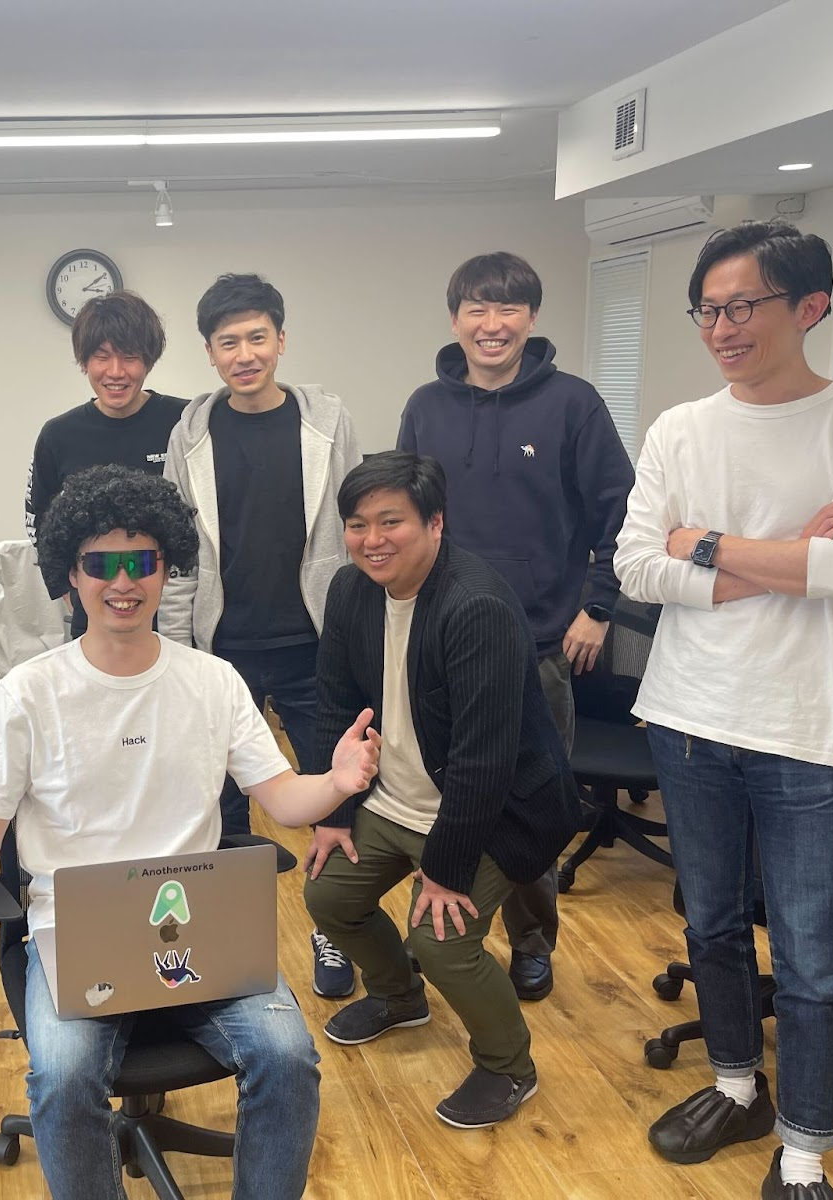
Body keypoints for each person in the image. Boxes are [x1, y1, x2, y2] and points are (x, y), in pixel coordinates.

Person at [0, 464, 381, 1200]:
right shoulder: (30, 692)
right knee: (64, 1076)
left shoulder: (213, 681)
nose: (122, 582)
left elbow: (283, 798)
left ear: (168, 568)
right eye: (99, 564)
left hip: (199, 927)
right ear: (70, 574)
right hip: (77, 932)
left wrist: (336, 782)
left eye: (141, 561)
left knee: (288, 1054)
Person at [615, 221, 833, 1200]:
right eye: (706, 310)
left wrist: (701, 542)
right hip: (688, 715)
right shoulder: (679, 428)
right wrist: (786, 553)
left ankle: (804, 1151)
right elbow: (635, 566)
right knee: (709, 927)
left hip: (805, 731)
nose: (720, 329)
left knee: (811, 960)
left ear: (809, 307)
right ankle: (736, 1086)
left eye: (740, 306)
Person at [302, 451, 580, 1130]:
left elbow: (483, 762)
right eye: (358, 524)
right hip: (397, 797)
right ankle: (399, 997)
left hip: (494, 812)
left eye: (390, 521)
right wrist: (334, 811)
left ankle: (509, 1066)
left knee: (442, 941)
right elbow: (335, 703)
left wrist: (447, 871)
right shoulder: (351, 590)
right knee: (328, 896)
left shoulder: (474, 606)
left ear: (434, 523)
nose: (372, 540)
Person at [397, 251, 635, 1002]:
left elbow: (623, 515)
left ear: (531, 319)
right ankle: (432, 927)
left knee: (532, 805)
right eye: (477, 308)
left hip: (539, 644)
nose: (492, 324)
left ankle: (532, 941)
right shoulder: (425, 407)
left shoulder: (573, 404)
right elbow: (404, 516)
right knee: (435, 794)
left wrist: (598, 607)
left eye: (508, 309)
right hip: (441, 639)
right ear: (455, 319)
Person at [158, 272, 363, 998]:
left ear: (280, 340)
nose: (243, 354)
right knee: (217, 807)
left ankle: (334, 930)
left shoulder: (327, 422)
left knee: (334, 797)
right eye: (228, 342)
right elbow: (181, 554)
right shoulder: (191, 434)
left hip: (315, 645)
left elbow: (354, 533)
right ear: (209, 352)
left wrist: (357, 633)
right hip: (223, 651)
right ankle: (221, 942)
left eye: (256, 338)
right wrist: (177, 651)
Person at [25, 290, 188, 637]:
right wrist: (68, 590)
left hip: (176, 617)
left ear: (148, 361)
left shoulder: (184, 422)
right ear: (85, 361)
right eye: (101, 357)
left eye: (130, 357)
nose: (116, 372)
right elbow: (39, 520)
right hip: (96, 616)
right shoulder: (59, 435)